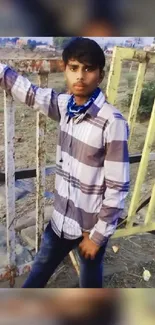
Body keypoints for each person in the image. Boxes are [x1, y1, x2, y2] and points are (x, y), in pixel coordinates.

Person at [0, 37, 130, 288]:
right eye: (74, 68)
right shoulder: (65, 106)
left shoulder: (111, 122)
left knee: (90, 281)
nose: (80, 76)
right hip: (60, 221)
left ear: (100, 75)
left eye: (88, 69)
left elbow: (117, 187)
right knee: (36, 276)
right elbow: (31, 94)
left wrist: (98, 236)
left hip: (89, 229)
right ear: (66, 70)